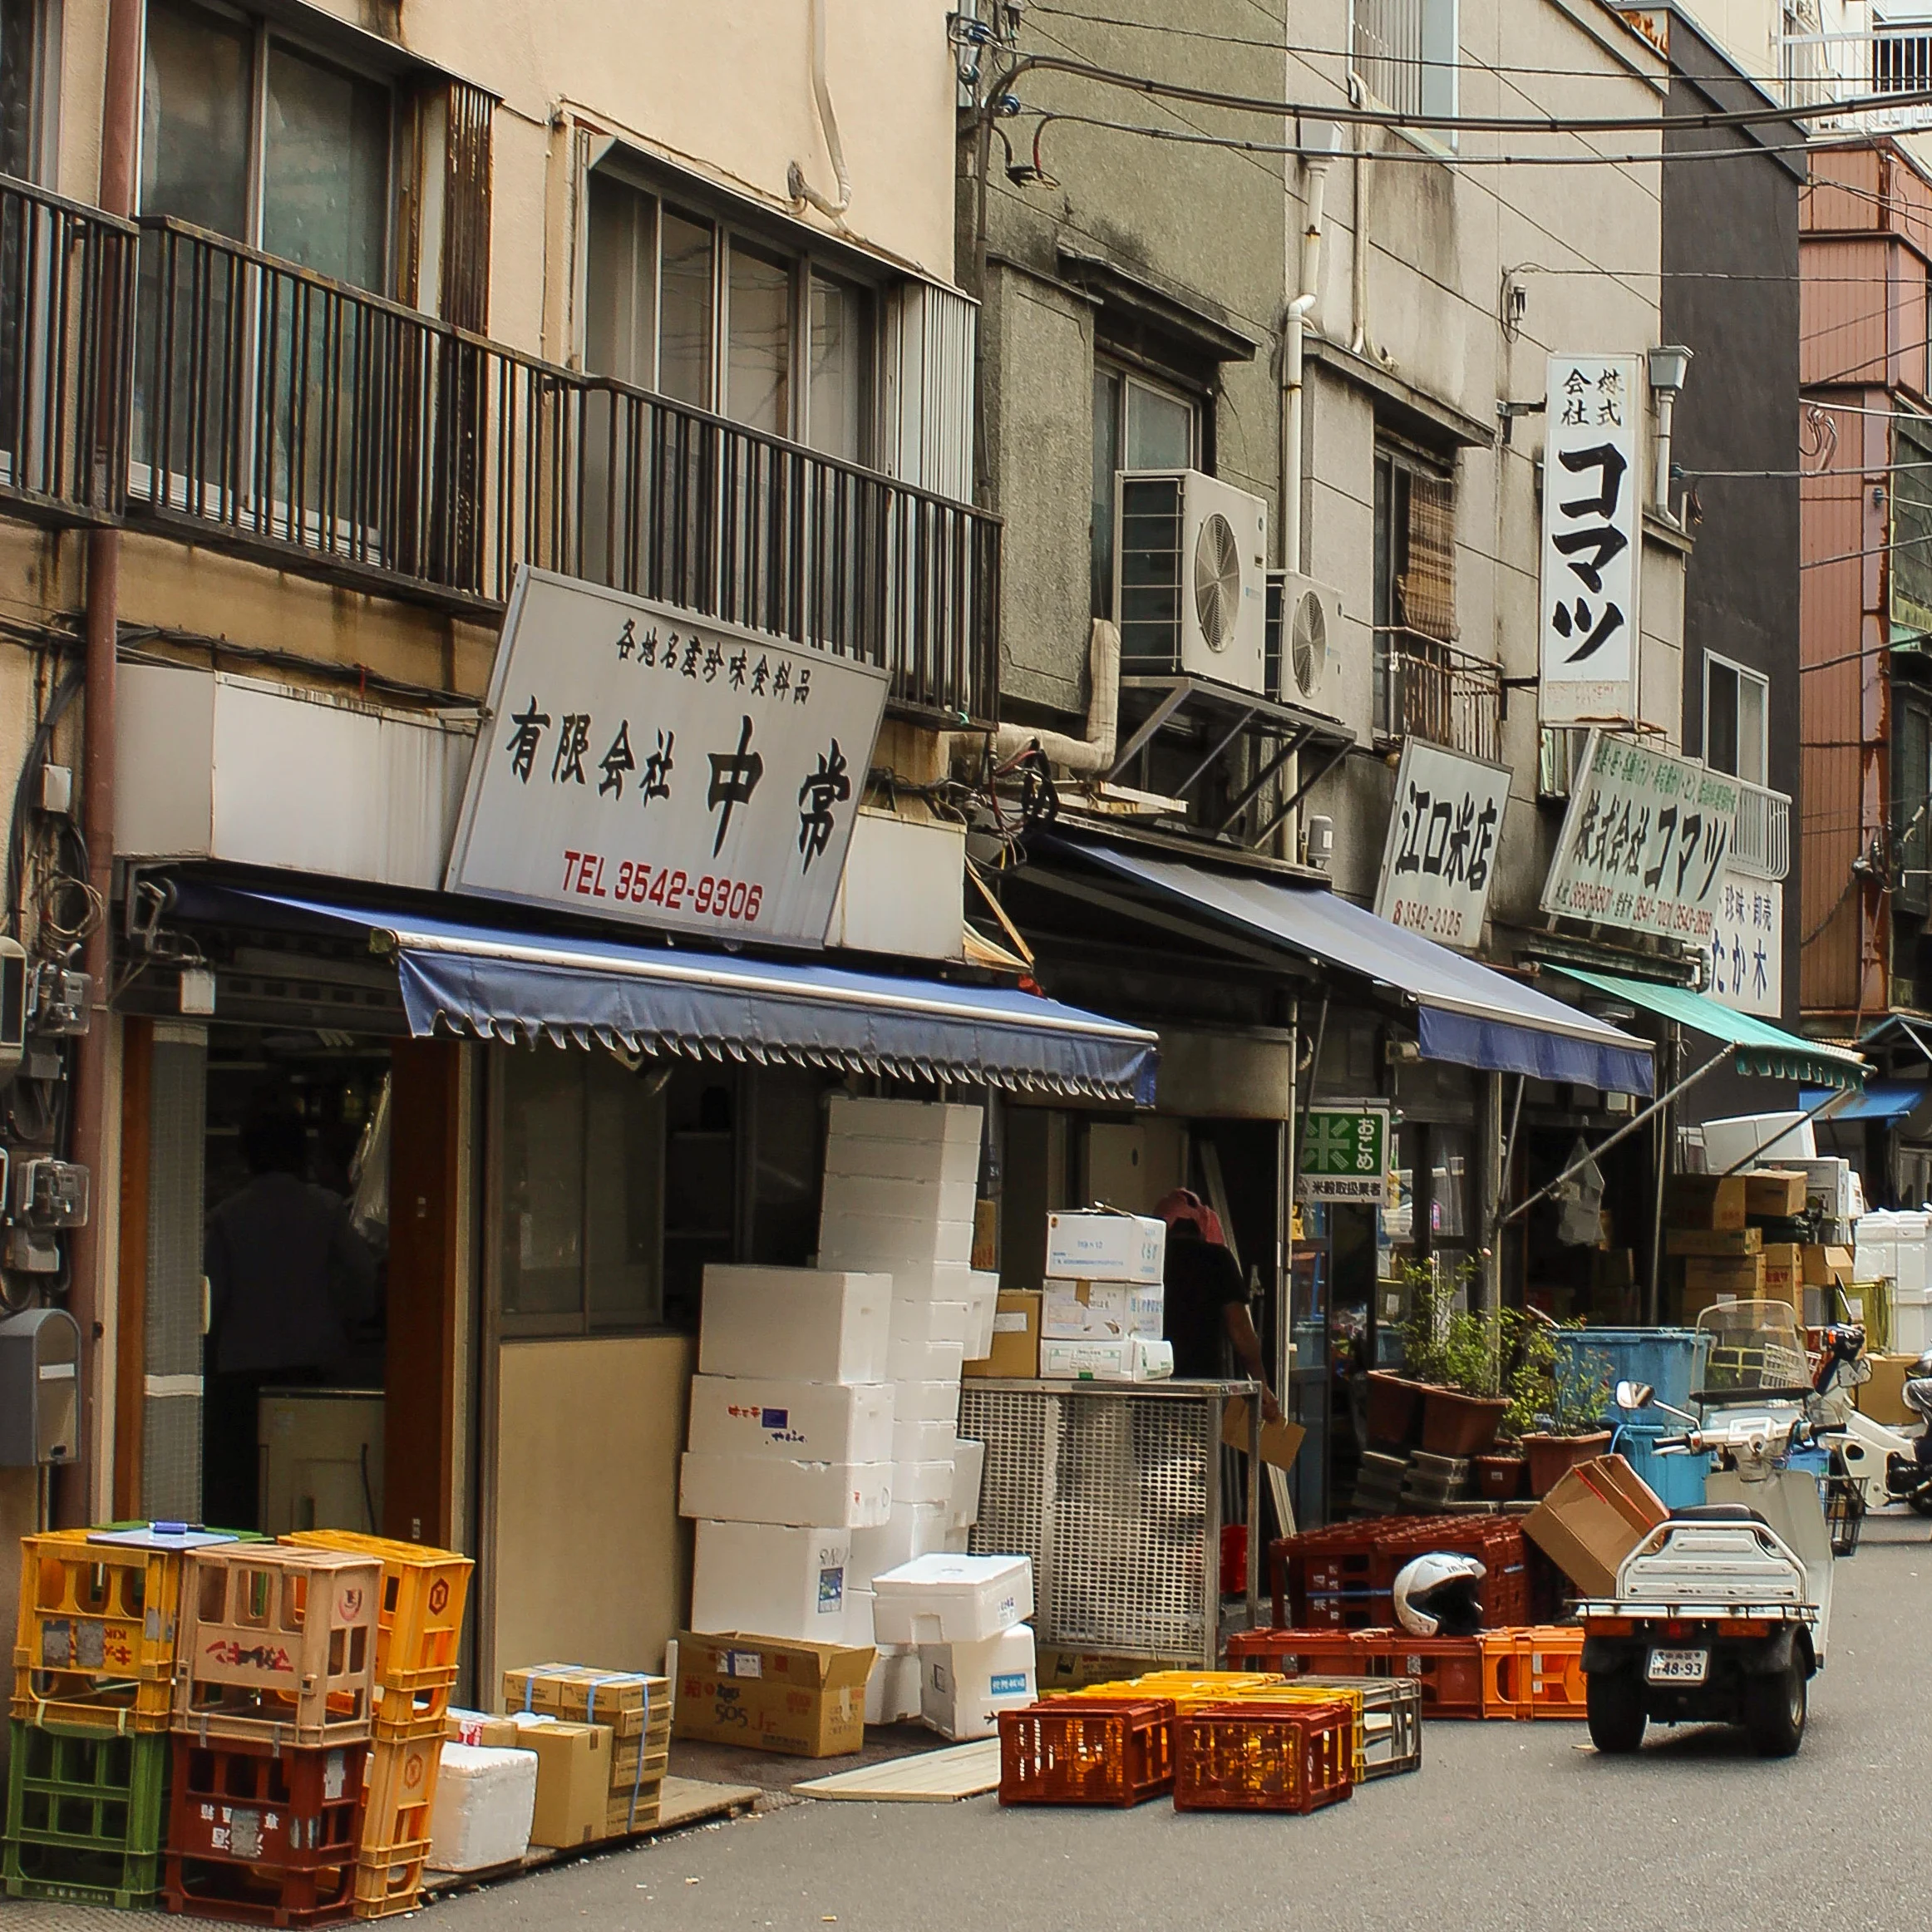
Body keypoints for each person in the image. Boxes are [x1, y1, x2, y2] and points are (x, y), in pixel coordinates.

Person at [202, 1106, 379, 1530]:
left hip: (241, 1368)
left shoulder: (227, 1216)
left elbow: (210, 1298)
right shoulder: (328, 1209)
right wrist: (348, 1321)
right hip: (312, 1363)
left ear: (248, 1155)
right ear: (302, 1153)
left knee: (242, 1486)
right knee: (310, 1476)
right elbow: (364, 1280)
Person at [1155, 1188, 1282, 1423]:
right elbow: (1241, 1331)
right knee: (1199, 1458)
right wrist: (1261, 1384)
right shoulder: (1217, 1260)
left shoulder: (1150, 1258)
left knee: (1151, 1455)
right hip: (1202, 1388)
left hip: (1149, 1385)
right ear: (1202, 1225)